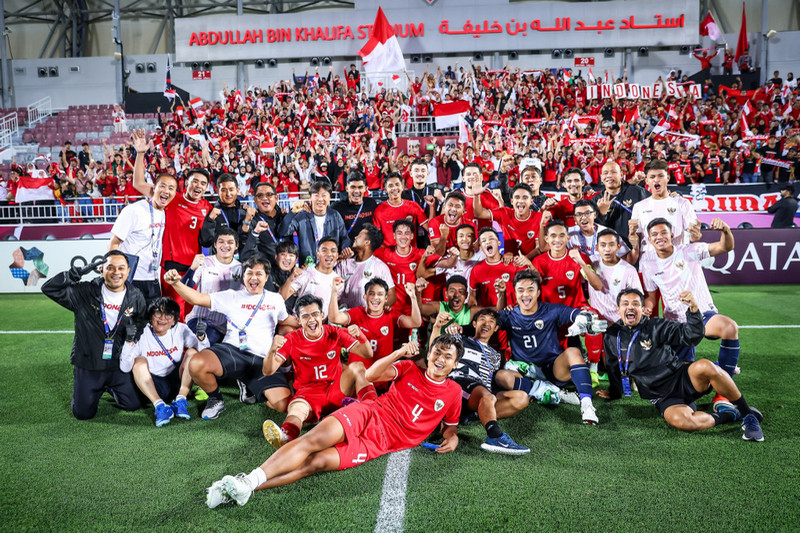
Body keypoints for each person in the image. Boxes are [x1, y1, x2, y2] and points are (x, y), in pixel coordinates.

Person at [204, 335, 464, 508]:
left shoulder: (453, 392)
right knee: (312, 440)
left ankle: (240, 489)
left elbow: (450, 426)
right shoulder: (409, 368)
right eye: (437, 352)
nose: (440, 359)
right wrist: (398, 353)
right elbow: (371, 374)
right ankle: (247, 480)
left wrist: (452, 437)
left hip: (381, 443)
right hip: (371, 413)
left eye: (447, 356)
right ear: (429, 353)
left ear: (455, 363)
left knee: (315, 462)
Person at [598, 289, 763, 441]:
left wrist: (693, 310)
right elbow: (613, 366)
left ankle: (749, 416)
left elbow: (691, 336)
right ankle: (730, 415)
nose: (630, 307)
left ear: (642, 309)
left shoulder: (655, 325)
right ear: (618, 309)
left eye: (635, 304)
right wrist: (615, 392)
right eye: (625, 304)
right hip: (662, 396)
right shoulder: (612, 336)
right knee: (684, 423)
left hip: (681, 377)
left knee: (706, 366)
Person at [163, 255, 296, 420]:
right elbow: (196, 298)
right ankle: (215, 399)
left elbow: (285, 319)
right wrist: (176, 283)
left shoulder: (275, 299)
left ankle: (250, 384)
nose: (254, 277)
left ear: (266, 277)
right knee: (197, 363)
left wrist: (310, 322)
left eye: (259, 274)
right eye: (249, 273)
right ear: (243, 276)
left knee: (282, 404)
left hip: (262, 359)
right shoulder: (231, 296)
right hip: (233, 351)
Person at [639, 217, 740, 410]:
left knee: (729, 327)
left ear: (671, 235)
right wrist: (647, 307)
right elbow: (652, 296)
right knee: (681, 372)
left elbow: (724, 247)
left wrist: (726, 231)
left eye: (663, 233)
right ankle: (716, 367)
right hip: (676, 324)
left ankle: (723, 396)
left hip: (702, 314)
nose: (659, 237)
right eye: (654, 234)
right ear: (649, 239)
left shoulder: (689, 251)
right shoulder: (648, 263)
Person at [42, 251, 146, 420]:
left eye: (121, 268)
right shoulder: (84, 292)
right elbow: (49, 288)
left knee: (132, 405)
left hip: (117, 364)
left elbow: (141, 319)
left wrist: (132, 335)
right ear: (101, 269)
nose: (116, 272)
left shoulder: (135, 295)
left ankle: (110, 387)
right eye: (110, 267)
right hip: (89, 364)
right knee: (83, 414)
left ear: (128, 271)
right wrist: (73, 275)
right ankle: (89, 387)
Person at [493, 269, 606, 424]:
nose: (525, 295)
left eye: (530, 290)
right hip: (525, 373)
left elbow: (576, 313)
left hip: (553, 370)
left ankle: (587, 405)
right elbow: (492, 322)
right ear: (515, 293)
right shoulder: (510, 315)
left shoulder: (552, 310)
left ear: (538, 292)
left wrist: (583, 319)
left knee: (573, 352)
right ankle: (556, 394)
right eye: (520, 290)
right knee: (500, 376)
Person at [260, 294, 373, 449]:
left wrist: (361, 335)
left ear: (322, 315)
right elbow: (268, 370)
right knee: (297, 407)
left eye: (314, 314)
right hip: (308, 394)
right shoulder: (292, 338)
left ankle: (373, 410)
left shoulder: (334, 332)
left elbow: (367, 354)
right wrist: (272, 349)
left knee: (358, 367)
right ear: (299, 320)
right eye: (305, 316)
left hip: (335, 389)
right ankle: (286, 437)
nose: (311, 319)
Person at [131, 130, 214, 318]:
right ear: (186, 183)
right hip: (171, 269)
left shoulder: (207, 207)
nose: (198, 186)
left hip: (194, 271)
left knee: (193, 316)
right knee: (173, 316)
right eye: (194, 182)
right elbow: (138, 183)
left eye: (203, 183)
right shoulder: (170, 197)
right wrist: (141, 154)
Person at [430, 309, 530, 455]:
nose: (486, 324)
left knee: (521, 398)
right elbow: (435, 350)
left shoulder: (495, 355)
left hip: (479, 393)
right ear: (475, 324)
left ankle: (467, 416)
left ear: (496, 328)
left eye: (491, 321)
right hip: (459, 383)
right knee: (487, 396)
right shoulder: (460, 339)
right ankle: (495, 436)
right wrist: (439, 327)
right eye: (482, 319)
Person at [120, 297, 209, 427]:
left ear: (174, 320)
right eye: (158, 313)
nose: (162, 319)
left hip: (177, 382)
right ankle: (160, 406)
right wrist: (128, 341)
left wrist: (201, 337)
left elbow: (203, 354)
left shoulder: (181, 329)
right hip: (152, 385)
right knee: (139, 361)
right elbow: (125, 368)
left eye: (168, 315)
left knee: (192, 353)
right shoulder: (142, 332)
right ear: (151, 316)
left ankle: (180, 400)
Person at [109, 172, 177, 302]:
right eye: (162, 186)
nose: (166, 191)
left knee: (152, 321)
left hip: (153, 279)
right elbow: (113, 243)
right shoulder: (134, 211)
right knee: (129, 321)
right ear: (154, 188)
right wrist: (115, 273)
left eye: (171, 188)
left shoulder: (165, 212)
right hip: (131, 279)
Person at [183, 228, 242, 346]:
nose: (225, 245)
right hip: (199, 319)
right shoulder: (204, 263)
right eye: (221, 241)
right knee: (208, 342)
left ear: (236, 246)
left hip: (225, 325)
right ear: (215, 244)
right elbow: (185, 288)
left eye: (230, 242)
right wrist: (192, 269)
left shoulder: (241, 268)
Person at [278, 180, 352, 264]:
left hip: (331, 266)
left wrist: (345, 248)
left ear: (329, 197)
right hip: (308, 266)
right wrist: (292, 212)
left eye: (324, 195)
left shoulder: (335, 215)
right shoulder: (302, 216)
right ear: (310, 197)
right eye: (316, 195)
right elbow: (283, 231)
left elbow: (344, 237)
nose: (320, 199)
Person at [631, 159, 698, 251]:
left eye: (661, 176)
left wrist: (696, 233)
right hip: (649, 261)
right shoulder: (639, 207)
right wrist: (631, 233)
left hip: (676, 260)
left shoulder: (683, 203)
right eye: (652, 177)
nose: (656, 180)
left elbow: (694, 237)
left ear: (668, 178)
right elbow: (635, 239)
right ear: (646, 181)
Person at [474, 183, 545, 258]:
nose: (520, 201)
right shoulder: (504, 213)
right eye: (517, 197)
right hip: (509, 263)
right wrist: (476, 195)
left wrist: (525, 259)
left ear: (531, 201)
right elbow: (479, 214)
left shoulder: (539, 217)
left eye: (525, 197)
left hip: (530, 263)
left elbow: (539, 247)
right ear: (512, 201)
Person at [589, 229, 643, 324]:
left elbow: (637, 298)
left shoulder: (629, 270)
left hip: (619, 323)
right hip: (597, 323)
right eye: (603, 245)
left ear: (618, 247)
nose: (607, 249)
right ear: (597, 248)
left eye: (611, 244)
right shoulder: (591, 262)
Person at [334, 223, 395, 309]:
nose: (355, 237)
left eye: (359, 236)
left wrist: (379, 309)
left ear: (367, 242)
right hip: (344, 316)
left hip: (366, 318)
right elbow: (332, 289)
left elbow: (392, 296)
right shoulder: (344, 263)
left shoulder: (380, 267)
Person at [280, 237, 343, 320]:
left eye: (333, 251)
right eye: (324, 250)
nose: (329, 254)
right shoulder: (305, 274)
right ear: (317, 254)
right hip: (300, 324)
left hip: (321, 327)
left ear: (337, 255)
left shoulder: (338, 281)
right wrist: (290, 279)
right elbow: (282, 297)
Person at [595, 161, 649, 248]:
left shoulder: (636, 191)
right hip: (611, 252)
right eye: (605, 173)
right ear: (601, 177)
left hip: (636, 248)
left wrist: (672, 196)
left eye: (613, 172)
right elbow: (593, 231)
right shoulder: (595, 200)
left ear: (621, 174)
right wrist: (602, 214)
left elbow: (656, 201)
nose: (609, 175)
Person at [372, 173, 428, 247]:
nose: (394, 188)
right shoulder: (379, 210)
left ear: (402, 187)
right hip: (389, 256)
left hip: (410, 255)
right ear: (385, 189)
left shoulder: (413, 206)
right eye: (390, 186)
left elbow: (429, 227)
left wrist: (432, 207)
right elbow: (375, 238)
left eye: (397, 184)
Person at [239, 182, 285, 265]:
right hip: (265, 272)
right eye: (260, 195)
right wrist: (247, 221)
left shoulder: (285, 217)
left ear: (276, 198)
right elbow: (245, 249)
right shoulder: (252, 220)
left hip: (286, 270)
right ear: (255, 200)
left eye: (269, 194)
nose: (264, 198)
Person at [199, 174, 248, 248]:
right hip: (219, 258)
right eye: (224, 190)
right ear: (218, 191)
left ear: (237, 191)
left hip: (241, 258)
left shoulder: (244, 213)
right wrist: (210, 221)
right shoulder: (211, 214)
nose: (228, 194)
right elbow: (206, 242)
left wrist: (247, 221)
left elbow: (248, 241)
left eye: (231, 190)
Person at [331, 172, 378, 241]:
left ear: (365, 188)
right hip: (346, 249)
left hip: (367, 249)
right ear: (347, 188)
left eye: (360, 187)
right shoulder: (337, 207)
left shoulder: (371, 203)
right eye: (353, 187)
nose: (356, 191)